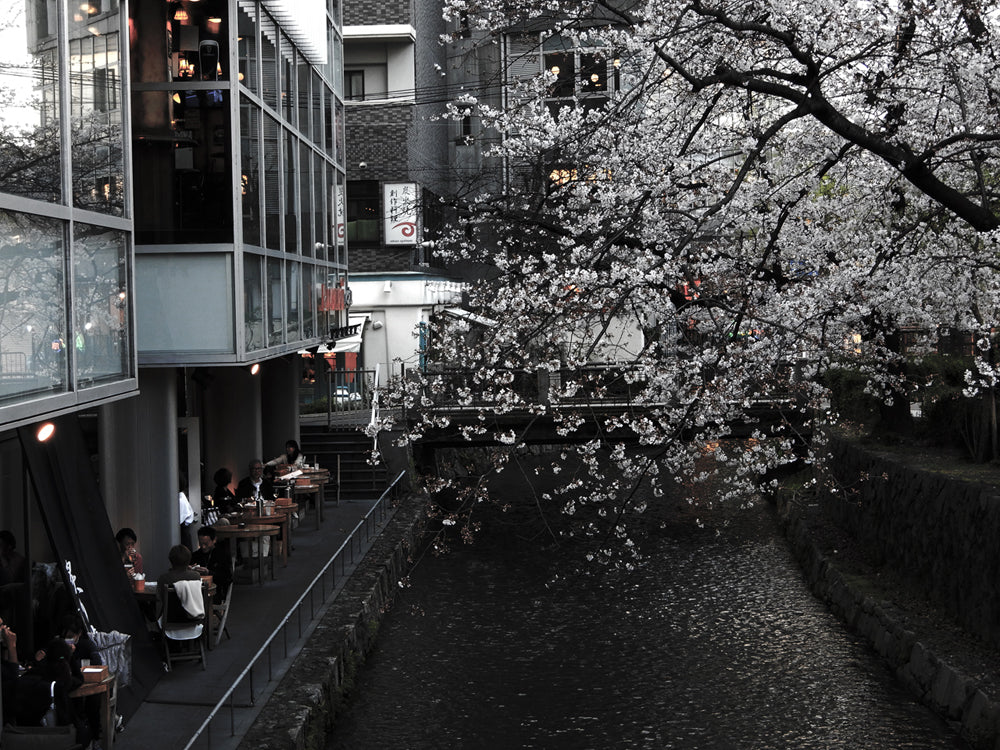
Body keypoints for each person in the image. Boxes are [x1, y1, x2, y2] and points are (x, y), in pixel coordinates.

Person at [191, 527, 232, 602]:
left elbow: (227, 577)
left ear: (214, 540)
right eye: (201, 543)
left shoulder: (222, 555)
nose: (203, 547)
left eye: (206, 544)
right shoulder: (195, 556)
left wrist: (209, 573)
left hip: (217, 591)